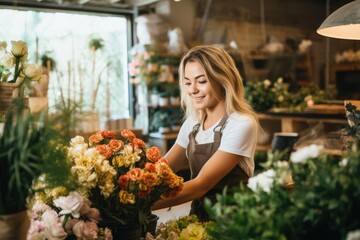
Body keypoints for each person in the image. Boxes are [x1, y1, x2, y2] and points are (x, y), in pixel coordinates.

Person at [152, 44, 260, 221]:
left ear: (222, 79)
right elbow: (162, 170)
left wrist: (142, 205)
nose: (192, 89)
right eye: (187, 82)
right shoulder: (192, 124)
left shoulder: (241, 123)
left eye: (201, 81)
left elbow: (201, 185)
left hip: (233, 222)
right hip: (199, 218)